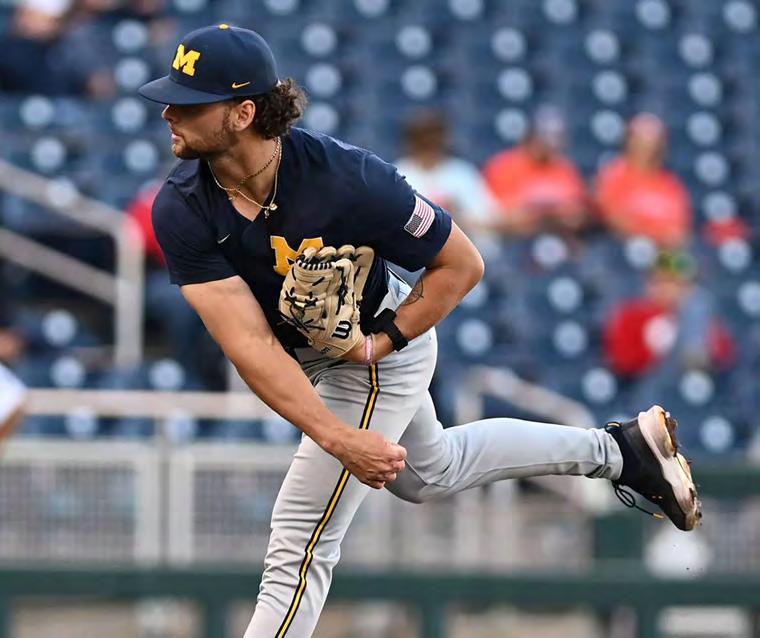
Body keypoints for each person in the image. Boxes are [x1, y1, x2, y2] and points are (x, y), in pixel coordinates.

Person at [139, 25, 701, 638]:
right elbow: (249, 344)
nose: (168, 112)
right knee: (430, 473)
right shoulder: (182, 206)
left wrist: (380, 345)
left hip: (374, 351)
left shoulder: (348, 178)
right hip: (306, 356)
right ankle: (618, 451)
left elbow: (462, 264)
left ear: (243, 113)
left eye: (189, 102)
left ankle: (616, 452)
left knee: (299, 541)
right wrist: (337, 436)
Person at [482, 105, 588, 236]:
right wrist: (540, 212)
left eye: (556, 138)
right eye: (545, 137)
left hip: (558, 238)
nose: (551, 144)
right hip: (512, 240)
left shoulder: (565, 168)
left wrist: (545, 213)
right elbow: (495, 216)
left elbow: (576, 217)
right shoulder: (504, 165)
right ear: (531, 137)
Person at [594, 113, 692, 248]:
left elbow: (679, 229)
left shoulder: (670, 183)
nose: (646, 148)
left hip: (664, 252)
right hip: (624, 248)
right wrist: (654, 235)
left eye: (652, 142)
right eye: (641, 142)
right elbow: (613, 218)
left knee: (684, 258)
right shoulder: (613, 175)